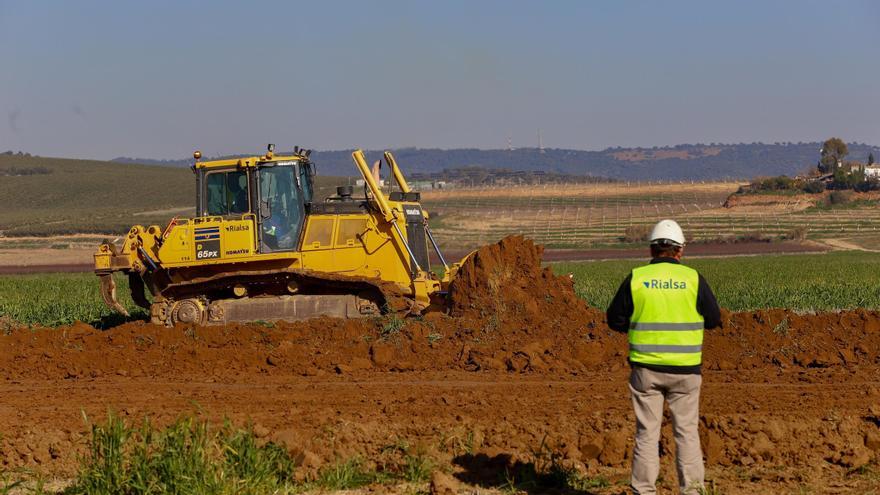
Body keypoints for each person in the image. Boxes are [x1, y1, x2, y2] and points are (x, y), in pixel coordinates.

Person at [606, 219, 722, 495]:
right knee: (687, 434)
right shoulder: (693, 279)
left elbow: (614, 319)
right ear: (680, 251)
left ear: (651, 250)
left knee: (647, 434)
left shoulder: (637, 278)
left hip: (646, 370)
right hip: (686, 371)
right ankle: (693, 491)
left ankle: (643, 491)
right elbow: (714, 318)